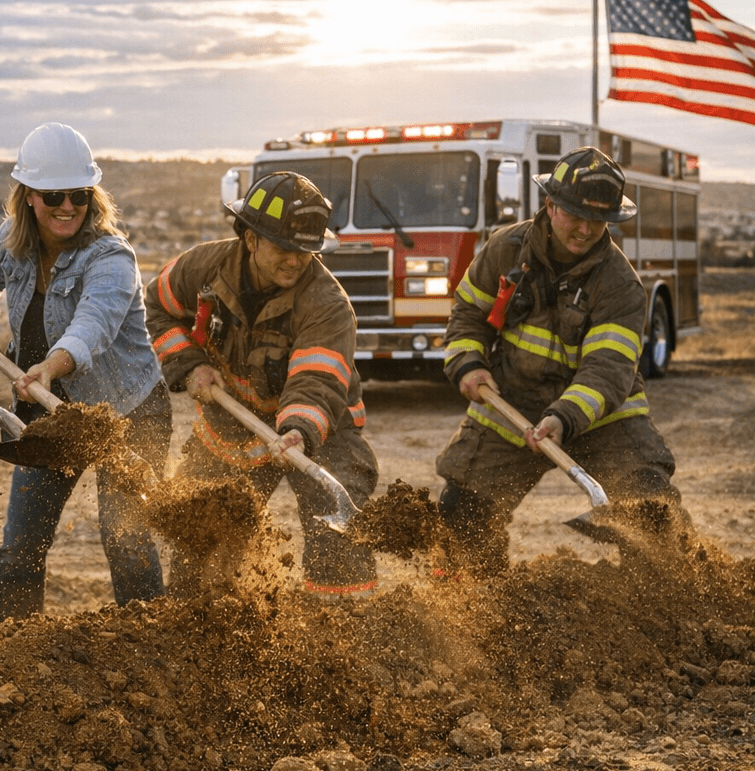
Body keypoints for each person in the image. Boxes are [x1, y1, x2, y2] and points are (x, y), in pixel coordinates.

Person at [436, 146, 682, 574]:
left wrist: (563, 417)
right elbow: (468, 317)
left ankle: (663, 608)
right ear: (549, 205)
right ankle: (479, 609)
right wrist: (469, 363)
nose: (585, 229)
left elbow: (607, 371)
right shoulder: (504, 251)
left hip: (600, 416)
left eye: (598, 219)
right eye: (573, 214)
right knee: (462, 513)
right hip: (510, 404)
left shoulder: (621, 286)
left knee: (649, 505)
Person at [0, 122, 168, 622]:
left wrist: (51, 368)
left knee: (127, 542)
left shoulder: (112, 258)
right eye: (53, 195)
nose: (67, 206)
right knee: (21, 549)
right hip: (49, 414)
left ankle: (155, 654)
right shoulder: (12, 242)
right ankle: (12, 652)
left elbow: (90, 327)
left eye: (78, 194)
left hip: (127, 413)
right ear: (28, 197)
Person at [144, 171, 378, 597]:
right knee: (200, 548)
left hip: (320, 431)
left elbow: (316, 381)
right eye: (284, 248)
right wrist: (189, 363)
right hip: (230, 425)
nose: (295, 260)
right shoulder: (203, 268)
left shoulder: (327, 305)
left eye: (305, 251)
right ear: (250, 239)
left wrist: (297, 429)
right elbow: (158, 307)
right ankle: (198, 635)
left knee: (338, 540)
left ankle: (341, 634)